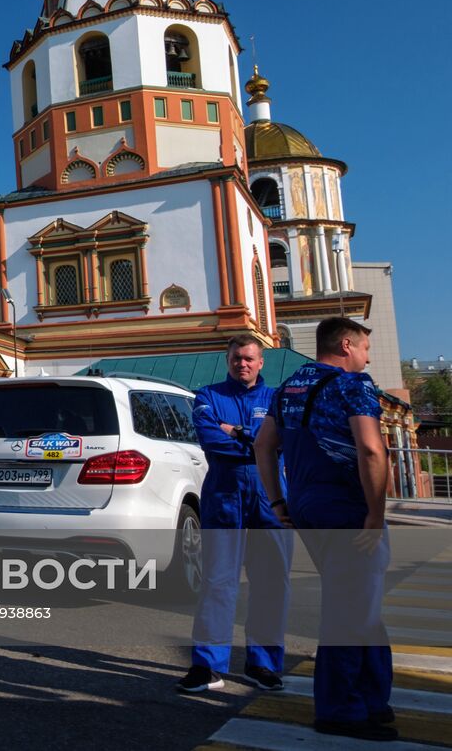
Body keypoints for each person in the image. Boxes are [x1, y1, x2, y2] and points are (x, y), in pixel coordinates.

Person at [254, 317, 396, 741]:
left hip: (307, 505)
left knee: (359, 605)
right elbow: (371, 449)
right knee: (350, 612)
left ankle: (373, 698)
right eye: (366, 347)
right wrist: (375, 513)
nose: (368, 356)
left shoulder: (289, 387)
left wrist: (278, 501)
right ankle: (340, 709)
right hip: (347, 508)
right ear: (347, 345)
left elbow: (263, 445)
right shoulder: (355, 386)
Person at [177, 334, 291, 694]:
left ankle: (264, 664)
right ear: (228, 361)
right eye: (236, 359)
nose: (242, 364)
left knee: (271, 583)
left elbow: (281, 440)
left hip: (270, 498)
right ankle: (208, 665)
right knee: (217, 582)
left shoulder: (277, 399)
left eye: (249, 359)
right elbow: (210, 439)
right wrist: (257, 441)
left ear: (261, 363)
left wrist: (238, 431)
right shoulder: (208, 396)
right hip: (224, 498)